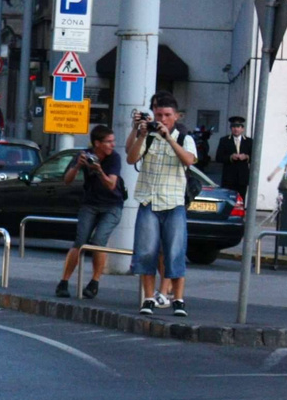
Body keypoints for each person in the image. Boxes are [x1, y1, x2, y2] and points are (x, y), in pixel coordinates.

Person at [127, 91, 197, 317]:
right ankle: (148, 298)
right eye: (159, 114)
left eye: (167, 115)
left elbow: (189, 160)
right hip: (149, 199)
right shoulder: (147, 136)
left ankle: (178, 299)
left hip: (174, 202)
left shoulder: (184, 138)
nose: (163, 119)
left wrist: (168, 138)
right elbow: (131, 158)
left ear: (176, 116)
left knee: (175, 251)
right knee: (147, 251)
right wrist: (140, 133)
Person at [55, 125, 125, 300]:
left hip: (112, 205)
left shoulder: (114, 159)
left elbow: (111, 185)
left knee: (99, 241)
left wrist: (99, 170)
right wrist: (77, 166)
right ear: (97, 144)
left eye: (113, 141)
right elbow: (67, 180)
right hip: (90, 204)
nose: (112, 145)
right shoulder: (84, 155)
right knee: (79, 241)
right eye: (108, 142)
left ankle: (94, 282)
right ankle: (63, 282)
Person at [219, 116, 253, 195]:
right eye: (233, 127)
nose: (236, 129)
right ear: (231, 128)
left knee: (241, 200)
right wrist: (230, 157)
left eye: (238, 127)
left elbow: (254, 158)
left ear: (242, 129)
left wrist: (246, 157)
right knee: (228, 199)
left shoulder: (249, 141)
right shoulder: (224, 140)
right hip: (228, 177)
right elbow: (219, 157)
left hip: (242, 177)